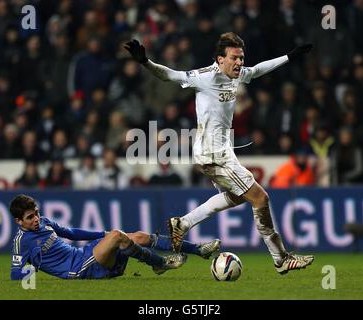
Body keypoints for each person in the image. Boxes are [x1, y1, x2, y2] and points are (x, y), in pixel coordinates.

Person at [125, 32, 314, 274]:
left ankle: (183, 223)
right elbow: (170, 75)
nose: (239, 63)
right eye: (234, 58)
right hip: (212, 153)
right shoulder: (206, 77)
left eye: (241, 58)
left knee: (237, 197)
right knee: (260, 198)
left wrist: (290, 56)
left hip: (224, 151)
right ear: (220, 59)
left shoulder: (238, 74)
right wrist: (145, 62)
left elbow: (257, 70)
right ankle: (281, 258)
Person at [9, 194, 220, 280]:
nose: (36, 218)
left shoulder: (44, 222)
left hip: (84, 254)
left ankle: (198, 250)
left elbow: (71, 233)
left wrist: (102, 235)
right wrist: (34, 268)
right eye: (30, 217)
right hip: (78, 270)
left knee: (137, 236)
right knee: (119, 236)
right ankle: (160, 262)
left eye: (36, 213)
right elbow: (15, 274)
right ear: (19, 221)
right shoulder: (22, 242)